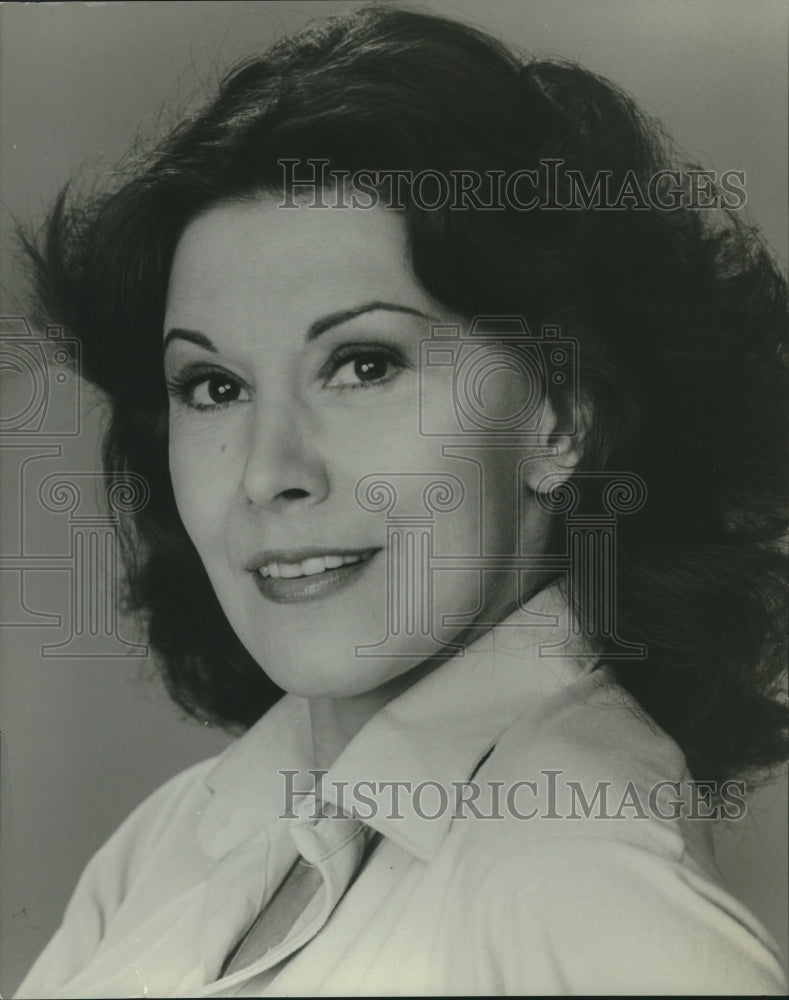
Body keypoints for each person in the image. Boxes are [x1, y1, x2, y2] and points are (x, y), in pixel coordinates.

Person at [14, 4, 788, 996]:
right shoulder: (171, 841)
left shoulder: (585, 889)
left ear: (559, 418)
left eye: (363, 364)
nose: (267, 470)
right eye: (213, 386)